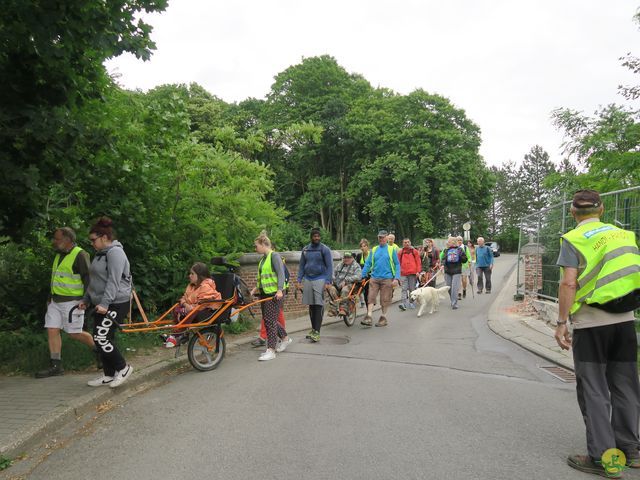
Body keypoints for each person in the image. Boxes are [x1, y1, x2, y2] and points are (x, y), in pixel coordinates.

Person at [554, 190, 640, 477]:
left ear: (572, 212)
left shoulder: (573, 239)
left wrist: (561, 322)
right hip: (626, 320)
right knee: (626, 385)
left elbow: (568, 284)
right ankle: (630, 451)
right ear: (601, 209)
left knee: (594, 389)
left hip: (592, 324)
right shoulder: (623, 234)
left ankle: (603, 459)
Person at [79, 217, 133, 388]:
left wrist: (105, 303)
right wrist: (86, 300)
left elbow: (113, 281)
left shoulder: (115, 253)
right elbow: (95, 281)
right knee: (101, 337)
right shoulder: (100, 254)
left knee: (101, 337)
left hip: (116, 302)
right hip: (102, 303)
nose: (92, 243)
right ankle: (109, 375)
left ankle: (123, 368)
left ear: (104, 237)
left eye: (93, 240)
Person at [36, 228, 95, 378]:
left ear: (67, 240)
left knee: (74, 333)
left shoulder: (80, 255)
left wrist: (86, 300)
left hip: (73, 302)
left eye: (57, 239)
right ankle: (56, 365)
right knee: (52, 329)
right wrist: (50, 297)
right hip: (55, 301)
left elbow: (89, 279)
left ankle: (101, 352)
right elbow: (57, 279)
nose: (54, 242)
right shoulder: (59, 255)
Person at [250, 233, 291, 361]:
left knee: (270, 321)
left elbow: (280, 274)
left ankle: (271, 350)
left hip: (274, 294)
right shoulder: (263, 259)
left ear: (263, 244)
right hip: (265, 292)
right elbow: (262, 277)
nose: (255, 248)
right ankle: (285, 338)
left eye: (256, 246)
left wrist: (279, 290)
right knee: (269, 319)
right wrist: (255, 289)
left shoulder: (274, 256)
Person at [163, 262, 221, 348]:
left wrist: (187, 306)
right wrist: (185, 304)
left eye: (192, 274)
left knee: (191, 311)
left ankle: (178, 334)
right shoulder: (191, 286)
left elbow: (203, 303)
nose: (189, 276)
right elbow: (184, 298)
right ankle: (178, 332)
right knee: (177, 308)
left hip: (206, 311)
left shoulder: (206, 287)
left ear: (200, 275)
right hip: (193, 308)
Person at [297, 228, 333, 342]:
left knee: (318, 304)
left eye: (318, 236)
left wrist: (328, 281)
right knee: (311, 305)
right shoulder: (306, 249)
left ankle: (317, 331)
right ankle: (313, 329)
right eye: (315, 236)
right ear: (311, 237)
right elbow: (302, 265)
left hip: (320, 278)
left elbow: (330, 266)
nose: (317, 238)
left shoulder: (324, 249)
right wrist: (299, 280)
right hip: (308, 278)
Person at [361, 230, 400, 327]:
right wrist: (362, 275)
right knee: (370, 296)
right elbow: (368, 263)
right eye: (379, 237)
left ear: (387, 238)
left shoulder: (391, 250)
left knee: (384, 299)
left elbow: (397, 264)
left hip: (387, 278)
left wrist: (396, 278)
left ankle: (383, 317)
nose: (381, 239)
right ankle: (369, 316)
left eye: (383, 237)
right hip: (374, 277)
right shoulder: (374, 249)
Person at [327, 252, 362, 316]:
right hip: (338, 284)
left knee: (345, 289)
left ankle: (343, 309)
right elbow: (333, 273)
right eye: (345, 257)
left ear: (352, 258)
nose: (346, 259)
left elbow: (359, 276)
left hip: (351, 284)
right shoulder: (340, 265)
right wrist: (332, 280)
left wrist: (346, 280)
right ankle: (334, 309)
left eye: (348, 257)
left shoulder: (356, 266)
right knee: (331, 289)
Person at [439, 236, 467, 309]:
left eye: (448, 241)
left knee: (454, 288)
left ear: (453, 242)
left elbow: (465, 260)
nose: (447, 242)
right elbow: (443, 259)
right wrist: (442, 265)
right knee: (448, 287)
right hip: (447, 271)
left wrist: (460, 255)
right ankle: (453, 300)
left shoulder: (460, 250)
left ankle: (454, 303)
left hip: (457, 271)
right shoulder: (446, 250)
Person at [398, 238, 421, 311]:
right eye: (405, 242)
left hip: (412, 273)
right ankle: (403, 304)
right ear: (403, 244)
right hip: (403, 273)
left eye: (408, 242)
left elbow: (418, 262)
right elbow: (397, 263)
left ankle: (411, 302)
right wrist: (397, 273)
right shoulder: (400, 252)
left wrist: (418, 271)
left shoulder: (414, 251)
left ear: (410, 243)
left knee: (412, 289)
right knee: (404, 289)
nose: (407, 243)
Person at [355, 238, 371, 307]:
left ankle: (370, 304)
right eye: (361, 246)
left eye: (364, 246)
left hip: (371, 276)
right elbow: (356, 266)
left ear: (367, 246)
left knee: (368, 292)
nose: (362, 248)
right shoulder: (359, 256)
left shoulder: (372, 254)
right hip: (362, 276)